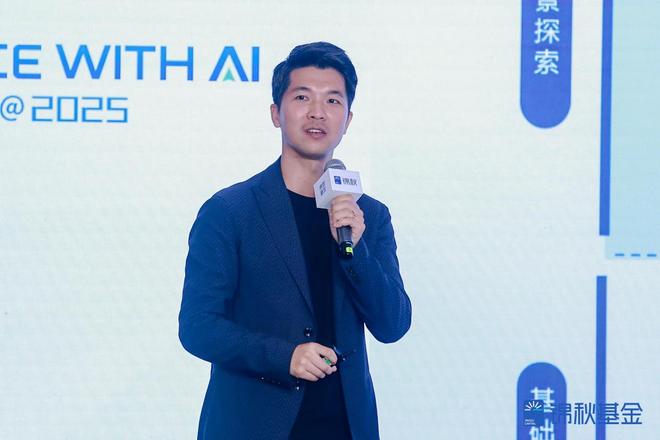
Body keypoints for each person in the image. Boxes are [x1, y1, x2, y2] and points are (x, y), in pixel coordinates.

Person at [179, 41, 412, 440]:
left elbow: (393, 325)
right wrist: (284, 357)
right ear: (276, 112)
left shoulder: (369, 215)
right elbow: (198, 327)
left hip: (344, 428)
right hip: (252, 426)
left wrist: (356, 249)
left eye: (332, 100)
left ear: (348, 119)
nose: (318, 112)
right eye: (302, 97)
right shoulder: (230, 211)